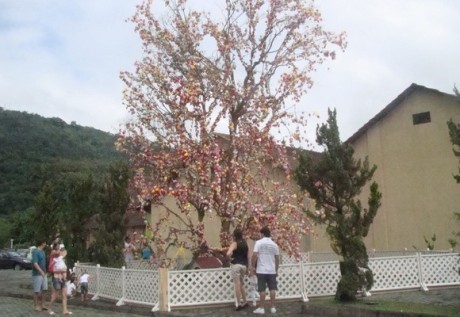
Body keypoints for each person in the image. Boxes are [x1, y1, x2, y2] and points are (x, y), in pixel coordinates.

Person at [250, 226, 280, 315]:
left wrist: (252, 266)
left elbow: (254, 255)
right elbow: (277, 258)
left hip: (261, 270)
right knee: (272, 289)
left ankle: (262, 308)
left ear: (262, 234)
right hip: (271, 270)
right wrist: (276, 269)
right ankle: (273, 307)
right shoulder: (274, 244)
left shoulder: (258, 243)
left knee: (262, 289)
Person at [226, 228, 249, 311]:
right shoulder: (245, 243)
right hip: (243, 265)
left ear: (234, 236)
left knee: (237, 285)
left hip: (236, 265)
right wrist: (247, 266)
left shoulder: (234, 243)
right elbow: (247, 256)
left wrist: (229, 259)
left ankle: (239, 304)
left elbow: (228, 253)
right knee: (241, 284)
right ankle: (245, 301)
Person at [48, 242, 72, 315]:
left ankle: (65, 310)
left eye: (59, 247)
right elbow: (52, 269)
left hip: (63, 277)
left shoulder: (61, 258)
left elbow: (65, 252)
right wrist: (62, 270)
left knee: (64, 295)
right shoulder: (53, 258)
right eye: (57, 247)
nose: (58, 249)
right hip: (56, 277)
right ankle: (49, 308)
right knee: (55, 295)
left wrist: (63, 252)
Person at [31, 239, 48, 312]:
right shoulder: (35, 252)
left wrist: (45, 271)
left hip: (44, 273)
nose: (45, 244)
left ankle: (43, 304)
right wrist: (40, 271)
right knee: (37, 291)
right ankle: (36, 305)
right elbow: (35, 263)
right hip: (37, 274)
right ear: (42, 243)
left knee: (45, 289)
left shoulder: (43, 252)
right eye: (45, 242)